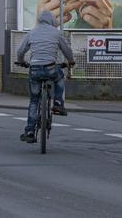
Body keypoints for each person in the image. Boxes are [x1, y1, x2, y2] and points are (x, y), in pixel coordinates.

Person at [15, 11, 76, 143]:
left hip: (35, 70)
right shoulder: (56, 33)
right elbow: (67, 50)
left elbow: (20, 51)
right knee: (59, 75)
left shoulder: (32, 33)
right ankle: (58, 103)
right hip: (50, 68)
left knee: (34, 101)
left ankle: (30, 131)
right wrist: (70, 62)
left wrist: (21, 61)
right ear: (52, 21)